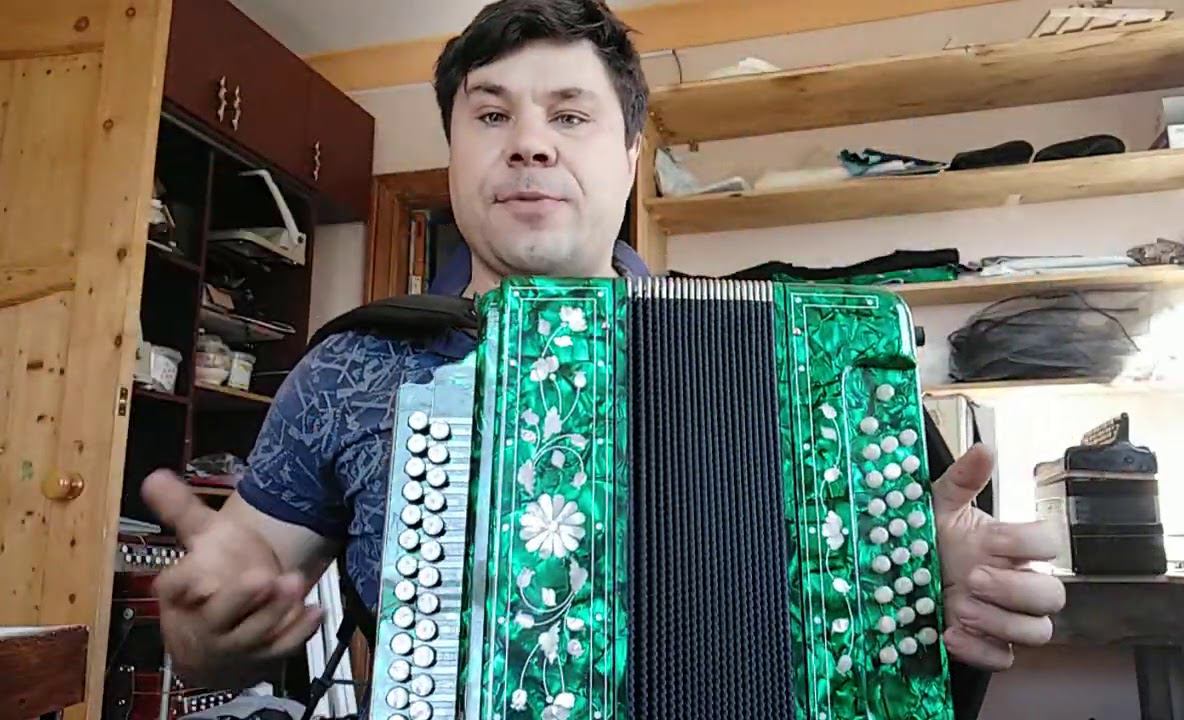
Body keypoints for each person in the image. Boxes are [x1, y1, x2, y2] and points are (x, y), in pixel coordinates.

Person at [142, 0, 1065, 713]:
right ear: (453, 153)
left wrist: (920, 603)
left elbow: (918, 653)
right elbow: (223, 621)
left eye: (571, 116)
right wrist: (203, 638)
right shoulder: (352, 366)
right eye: (491, 115)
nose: (529, 143)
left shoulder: (816, 366)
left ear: (629, 157)